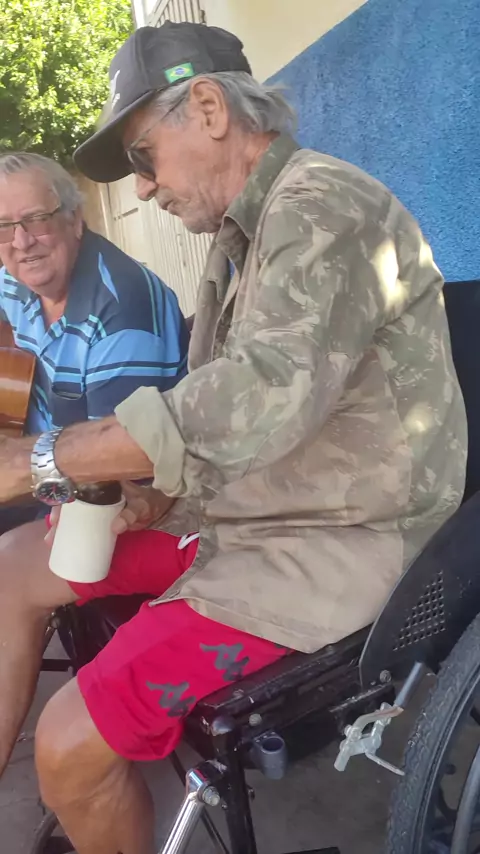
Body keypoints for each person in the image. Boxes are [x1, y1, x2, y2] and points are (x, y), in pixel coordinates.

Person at [0, 22, 467, 854]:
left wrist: (44, 457)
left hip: (330, 544)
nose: (143, 188)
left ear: (210, 109)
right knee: (16, 564)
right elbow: (220, 411)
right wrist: (154, 495)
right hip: (248, 512)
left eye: (143, 157)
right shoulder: (242, 236)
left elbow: (259, 394)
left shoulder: (325, 207)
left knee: (68, 746)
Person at [0, 151, 189, 532]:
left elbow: (108, 474)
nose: (21, 241)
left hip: (102, 501)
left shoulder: (120, 315)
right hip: (34, 460)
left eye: (37, 219)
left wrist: (14, 468)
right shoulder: (13, 280)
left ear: (74, 220)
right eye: (4, 226)